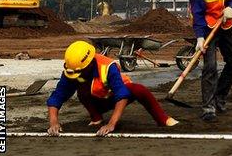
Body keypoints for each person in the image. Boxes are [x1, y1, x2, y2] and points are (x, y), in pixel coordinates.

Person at [46, 41, 178, 137]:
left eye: (80, 71)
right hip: (97, 100)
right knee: (81, 86)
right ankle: (96, 118)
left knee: (139, 89)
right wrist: (53, 122)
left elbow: (122, 94)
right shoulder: (73, 70)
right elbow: (58, 96)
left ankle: (163, 119)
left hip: (115, 97)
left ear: (90, 62)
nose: (77, 74)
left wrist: (111, 124)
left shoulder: (108, 66)